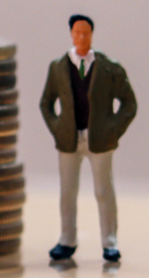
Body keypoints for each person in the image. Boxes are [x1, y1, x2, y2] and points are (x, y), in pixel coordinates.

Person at [39, 15, 136, 262]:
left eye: (86, 33)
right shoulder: (58, 67)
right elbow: (46, 103)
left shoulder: (109, 68)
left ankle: (109, 242)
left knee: (104, 190)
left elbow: (129, 103)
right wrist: (58, 128)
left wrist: (112, 129)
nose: (82, 37)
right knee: (67, 192)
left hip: (99, 141)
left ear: (92, 35)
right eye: (77, 33)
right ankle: (67, 240)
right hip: (69, 141)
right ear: (71, 34)